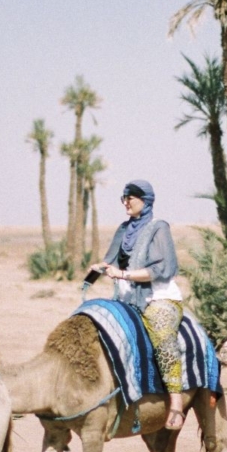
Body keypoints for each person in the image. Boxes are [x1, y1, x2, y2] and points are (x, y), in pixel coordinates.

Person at [89, 179, 187, 430]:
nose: (126, 202)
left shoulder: (158, 228)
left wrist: (123, 275)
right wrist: (98, 269)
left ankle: (176, 402)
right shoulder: (124, 229)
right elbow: (111, 261)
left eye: (131, 197)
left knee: (162, 334)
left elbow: (160, 270)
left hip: (158, 297)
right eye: (124, 197)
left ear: (146, 200)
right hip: (125, 297)